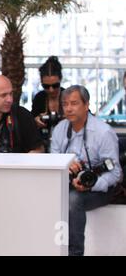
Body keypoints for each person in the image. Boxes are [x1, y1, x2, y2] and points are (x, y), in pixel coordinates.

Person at [51, 85, 122, 256]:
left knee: (73, 199)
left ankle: (74, 253)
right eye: (65, 104)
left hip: (100, 189)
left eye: (74, 103)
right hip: (69, 184)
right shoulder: (60, 129)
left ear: (86, 104)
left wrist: (91, 184)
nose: (68, 108)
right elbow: (52, 161)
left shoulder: (103, 132)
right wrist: (65, 165)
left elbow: (116, 173)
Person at [31, 56, 65, 150]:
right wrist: (35, 121)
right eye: (46, 86)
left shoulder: (69, 97)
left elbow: (86, 117)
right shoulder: (39, 98)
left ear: (60, 80)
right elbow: (30, 121)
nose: (51, 90)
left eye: (55, 85)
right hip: (43, 143)